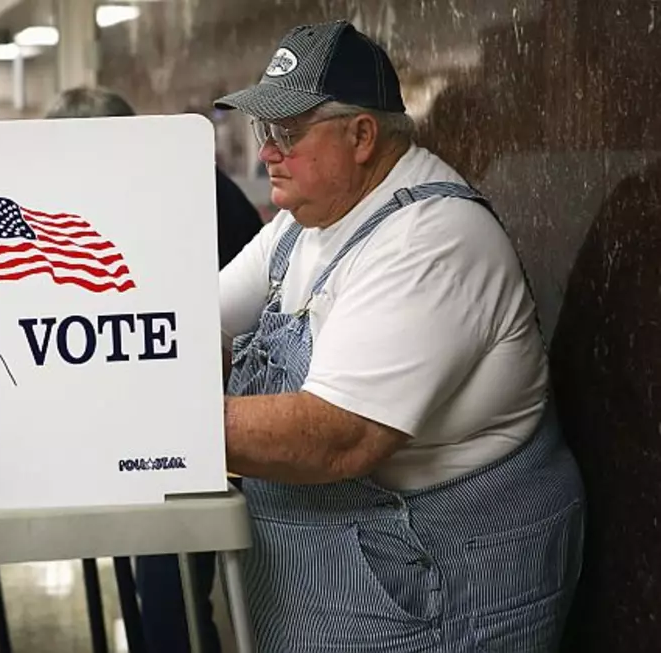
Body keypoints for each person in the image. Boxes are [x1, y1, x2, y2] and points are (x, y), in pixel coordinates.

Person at [212, 21, 585, 651]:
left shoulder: (430, 239)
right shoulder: (303, 223)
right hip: (343, 580)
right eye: (264, 131)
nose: (267, 152)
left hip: (430, 589)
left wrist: (155, 430)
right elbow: (199, 323)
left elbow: (337, 437)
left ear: (361, 136)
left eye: (287, 132)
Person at [45, 86, 263, 652]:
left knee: (173, 609)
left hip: (214, 426)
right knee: (161, 597)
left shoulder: (191, 196)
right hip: (169, 419)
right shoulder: (150, 188)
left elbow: (222, 333)